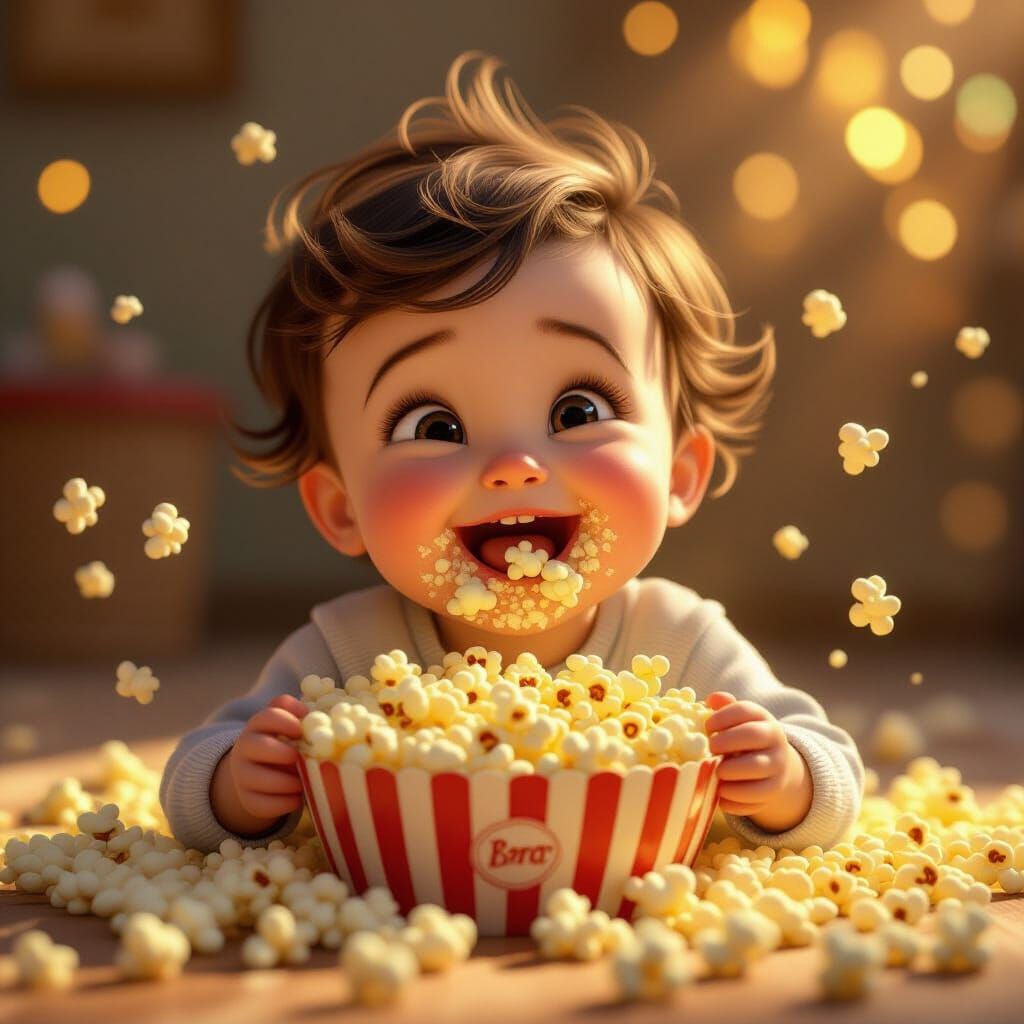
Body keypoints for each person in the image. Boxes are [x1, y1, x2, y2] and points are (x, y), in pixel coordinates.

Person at [161, 50, 862, 855]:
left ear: (679, 475)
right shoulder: (348, 651)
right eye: (433, 426)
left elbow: (834, 776)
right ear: (341, 509)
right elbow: (190, 783)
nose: (515, 464)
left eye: (577, 410)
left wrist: (786, 781)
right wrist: (236, 785)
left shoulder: (681, 642)